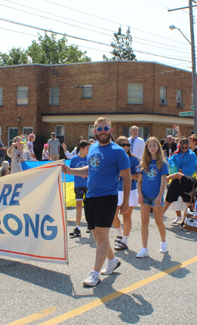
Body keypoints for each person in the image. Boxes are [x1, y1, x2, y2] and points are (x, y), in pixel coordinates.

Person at [62, 117, 131, 287]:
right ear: (94, 131)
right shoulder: (92, 148)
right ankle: (113, 260)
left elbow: (127, 177)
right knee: (96, 235)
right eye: (99, 129)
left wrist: (126, 202)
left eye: (105, 128)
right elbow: (90, 169)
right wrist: (71, 170)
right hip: (91, 197)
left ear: (111, 130)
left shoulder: (118, 151)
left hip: (108, 197)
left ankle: (94, 274)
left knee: (102, 235)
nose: (102, 131)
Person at [136, 137, 169, 258]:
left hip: (156, 197)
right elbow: (139, 182)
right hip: (144, 196)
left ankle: (163, 241)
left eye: (154, 145)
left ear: (158, 147)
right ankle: (144, 248)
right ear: (147, 148)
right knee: (144, 222)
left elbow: (163, 182)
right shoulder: (143, 163)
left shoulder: (162, 163)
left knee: (159, 221)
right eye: (150, 146)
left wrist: (160, 196)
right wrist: (140, 194)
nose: (152, 148)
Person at [111, 137, 140, 250]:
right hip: (115, 190)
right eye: (123, 145)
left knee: (127, 216)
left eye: (128, 145)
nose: (126, 147)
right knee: (112, 215)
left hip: (130, 190)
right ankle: (120, 233)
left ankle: (125, 240)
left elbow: (139, 176)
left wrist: (125, 175)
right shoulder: (113, 158)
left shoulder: (134, 159)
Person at [164, 138, 197, 224]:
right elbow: (171, 162)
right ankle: (176, 217)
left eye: (186, 147)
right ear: (180, 147)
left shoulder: (192, 155)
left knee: (188, 202)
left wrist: (182, 170)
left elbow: (192, 166)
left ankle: (186, 221)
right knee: (170, 200)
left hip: (186, 181)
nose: (185, 149)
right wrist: (165, 159)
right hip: (176, 180)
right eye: (183, 147)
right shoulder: (176, 154)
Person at [69, 140, 91, 238]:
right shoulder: (74, 159)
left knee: (89, 206)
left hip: (89, 185)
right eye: (87, 148)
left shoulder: (91, 158)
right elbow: (70, 171)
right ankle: (77, 227)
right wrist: (80, 173)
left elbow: (94, 171)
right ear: (81, 149)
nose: (88, 150)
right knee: (79, 205)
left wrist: (86, 174)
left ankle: (90, 224)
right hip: (78, 185)